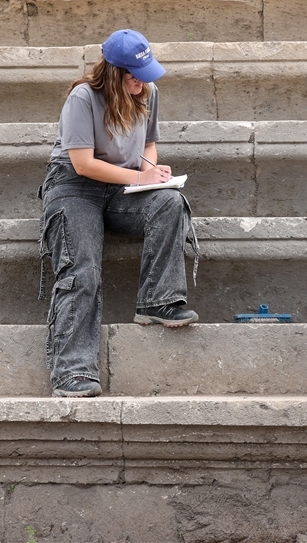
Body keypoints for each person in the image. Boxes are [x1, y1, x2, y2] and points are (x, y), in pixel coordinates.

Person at [38, 29, 199, 398]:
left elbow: (149, 145)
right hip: (74, 187)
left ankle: (159, 301)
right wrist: (139, 175)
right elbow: (82, 164)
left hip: (124, 186)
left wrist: (151, 174)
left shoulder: (148, 92)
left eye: (146, 75)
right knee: (84, 269)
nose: (143, 83)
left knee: (169, 203)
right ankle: (72, 372)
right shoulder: (82, 97)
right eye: (134, 76)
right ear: (114, 73)